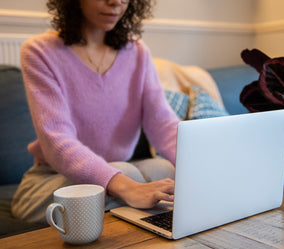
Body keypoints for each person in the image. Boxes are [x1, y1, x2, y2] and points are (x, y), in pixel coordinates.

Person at [11, 0, 180, 224]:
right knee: (127, 173)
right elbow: (57, 140)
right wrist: (127, 187)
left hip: (120, 172)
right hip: (52, 181)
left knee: (164, 168)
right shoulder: (39, 51)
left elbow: (163, 124)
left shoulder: (138, 52)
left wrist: (204, 168)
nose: (116, 2)